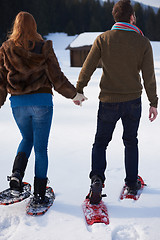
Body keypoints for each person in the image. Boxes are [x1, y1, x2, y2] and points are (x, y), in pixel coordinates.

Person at [75, 0, 158, 204]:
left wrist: (79, 89)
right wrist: (153, 102)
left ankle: (96, 180)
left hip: (108, 102)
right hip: (133, 102)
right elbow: (149, 76)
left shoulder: (103, 39)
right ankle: (131, 182)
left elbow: (88, 66)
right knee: (131, 142)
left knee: (101, 143)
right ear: (131, 17)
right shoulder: (143, 42)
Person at [0, 11, 85, 206]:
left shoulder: (6, 48)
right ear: (34, 27)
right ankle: (39, 193)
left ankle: (16, 176)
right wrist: (74, 95)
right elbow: (57, 77)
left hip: (18, 104)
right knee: (40, 148)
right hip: (42, 103)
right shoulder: (44, 47)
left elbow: (0, 81)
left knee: (26, 138)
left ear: (16, 26)